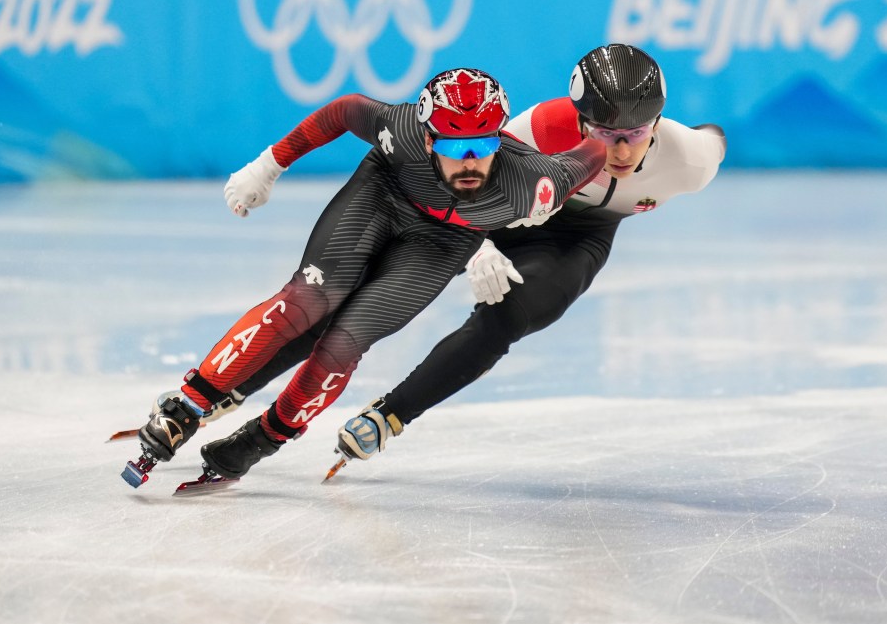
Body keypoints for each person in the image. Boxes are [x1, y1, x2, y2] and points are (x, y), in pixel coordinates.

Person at [181, 45, 726, 474]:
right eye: (605, 134)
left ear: (657, 124)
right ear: (581, 121)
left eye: (634, 135)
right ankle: (236, 384)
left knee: (511, 314)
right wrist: (481, 243)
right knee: (349, 292)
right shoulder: (537, 129)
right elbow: (473, 187)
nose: (621, 151)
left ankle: (389, 416)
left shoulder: (688, 161)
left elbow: (714, 139)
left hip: (578, 236)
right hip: (498, 214)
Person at [123, 67, 609, 488]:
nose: (469, 161)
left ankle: (260, 440)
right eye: (454, 146)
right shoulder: (397, 126)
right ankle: (185, 407)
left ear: (500, 138)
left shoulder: (531, 183)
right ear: (426, 138)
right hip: (382, 195)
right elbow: (344, 110)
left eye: (482, 145)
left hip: (442, 244)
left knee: (343, 344)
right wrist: (268, 164)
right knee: (305, 302)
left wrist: (597, 143)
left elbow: (593, 156)